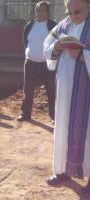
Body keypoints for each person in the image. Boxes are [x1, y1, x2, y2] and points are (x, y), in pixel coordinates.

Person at [44, 0, 90, 193]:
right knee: (62, 127)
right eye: (69, 11)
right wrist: (55, 47)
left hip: (86, 92)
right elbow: (46, 49)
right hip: (64, 89)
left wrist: (81, 55)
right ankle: (62, 170)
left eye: (77, 11)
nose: (73, 16)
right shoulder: (62, 25)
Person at [17, 1, 57, 123]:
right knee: (27, 90)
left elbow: (57, 43)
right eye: (38, 10)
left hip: (47, 65)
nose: (40, 13)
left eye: (43, 10)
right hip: (30, 63)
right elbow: (25, 42)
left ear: (48, 13)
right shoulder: (29, 26)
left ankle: (54, 117)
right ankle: (25, 114)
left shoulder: (53, 26)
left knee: (51, 91)